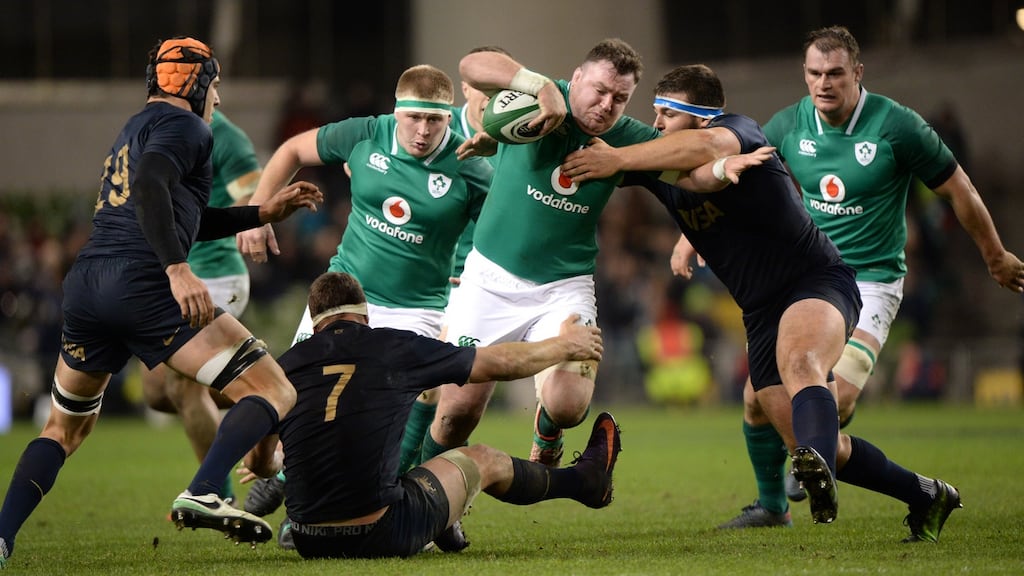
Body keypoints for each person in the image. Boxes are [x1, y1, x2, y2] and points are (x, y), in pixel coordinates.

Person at [559, 63, 965, 542]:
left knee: (800, 362)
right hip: (759, 310)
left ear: (701, 116)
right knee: (818, 447)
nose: (658, 122)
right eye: (656, 112)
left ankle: (807, 488)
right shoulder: (658, 158)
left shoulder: (740, 131)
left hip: (814, 282)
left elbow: (708, 150)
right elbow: (603, 146)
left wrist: (624, 159)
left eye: (668, 113)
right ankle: (926, 494)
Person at [0, 36, 324, 568]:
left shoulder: (135, 128)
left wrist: (260, 213)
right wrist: (177, 270)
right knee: (274, 387)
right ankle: (205, 488)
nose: (218, 99)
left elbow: (177, 212)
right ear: (197, 84)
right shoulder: (189, 126)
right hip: (143, 283)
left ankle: (3, 536)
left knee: (63, 429)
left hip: (88, 286)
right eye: (215, 86)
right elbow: (152, 185)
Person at [740, 25, 1024, 513]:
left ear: (858, 73)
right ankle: (774, 505)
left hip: (872, 281)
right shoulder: (789, 124)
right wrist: (689, 239)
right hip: (810, 277)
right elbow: (740, 177)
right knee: (756, 399)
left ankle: (816, 457)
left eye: (834, 73)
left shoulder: (898, 126)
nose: (823, 84)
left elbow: (960, 190)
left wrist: (995, 254)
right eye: (813, 73)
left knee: (841, 401)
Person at [235, 65, 491, 520]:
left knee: (404, 405)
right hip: (345, 295)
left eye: (435, 121)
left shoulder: (472, 165)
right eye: (414, 118)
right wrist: (258, 213)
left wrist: (473, 278)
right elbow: (293, 148)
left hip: (418, 306)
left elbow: (500, 232)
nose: (423, 130)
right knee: (297, 396)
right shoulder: (367, 133)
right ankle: (287, 481)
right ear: (397, 112)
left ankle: (405, 501)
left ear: (449, 119)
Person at [238, 271, 620, 559]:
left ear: (314, 322)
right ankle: (584, 481)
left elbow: (262, 463)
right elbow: (497, 362)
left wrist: (271, 463)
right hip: (382, 530)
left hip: (307, 538)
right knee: (482, 459)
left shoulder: (282, 368)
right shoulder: (392, 346)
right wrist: (563, 344)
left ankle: (444, 524)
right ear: (365, 314)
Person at [420, 38, 661, 472]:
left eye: (620, 98)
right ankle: (431, 502)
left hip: (564, 287)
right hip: (487, 280)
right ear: (578, 78)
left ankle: (548, 429)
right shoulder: (539, 97)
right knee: (456, 410)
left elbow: (695, 157)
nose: (607, 105)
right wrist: (542, 87)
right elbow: (472, 63)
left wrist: (623, 159)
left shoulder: (624, 138)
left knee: (569, 404)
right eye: (600, 90)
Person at [140, 108, 263, 505]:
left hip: (218, 277)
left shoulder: (226, 137)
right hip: (174, 278)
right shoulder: (160, 129)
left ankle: (215, 496)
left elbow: (252, 187)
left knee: (181, 383)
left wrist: (256, 219)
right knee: (157, 392)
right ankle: (272, 399)